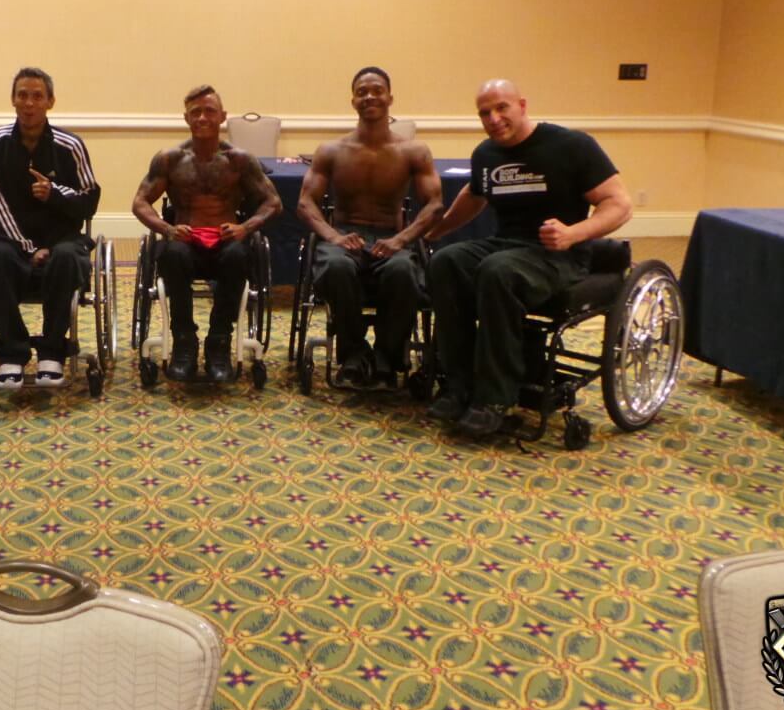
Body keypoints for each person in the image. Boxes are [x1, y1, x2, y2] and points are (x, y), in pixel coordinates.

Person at [426, 78, 633, 436]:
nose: (493, 119)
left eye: (501, 108)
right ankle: (458, 386)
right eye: (484, 113)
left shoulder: (571, 145)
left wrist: (573, 233)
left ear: (522, 105)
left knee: (497, 271)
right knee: (445, 262)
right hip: (507, 245)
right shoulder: (486, 154)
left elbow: (620, 204)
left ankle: (494, 398)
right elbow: (474, 195)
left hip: (560, 255)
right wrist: (436, 231)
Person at [296, 68, 444, 388]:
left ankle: (386, 359)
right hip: (344, 236)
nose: (369, 97)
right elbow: (306, 203)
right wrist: (334, 236)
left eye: (377, 90)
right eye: (362, 92)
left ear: (390, 98)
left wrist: (400, 240)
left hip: (392, 237)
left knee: (403, 271)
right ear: (353, 101)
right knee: (336, 267)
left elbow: (434, 205)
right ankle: (353, 354)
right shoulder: (331, 150)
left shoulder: (413, 151)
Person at [131, 85, 281, 382]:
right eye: (195, 112)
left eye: (209, 111)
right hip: (185, 243)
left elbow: (273, 203)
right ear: (186, 117)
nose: (202, 117)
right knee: (171, 254)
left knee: (239, 256)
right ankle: (184, 341)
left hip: (227, 243)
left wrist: (245, 227)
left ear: (222, 116)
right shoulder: (170, 159)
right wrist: (167, 229)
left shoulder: (239, 160)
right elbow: (140, 202)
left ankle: (219, 342)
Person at [0, 67, 101, 388]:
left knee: (66, 257)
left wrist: (54, 193)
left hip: (62, 238)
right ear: (13, 100)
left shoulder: (70, 145)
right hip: (11, 238)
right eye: (22, 95)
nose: (29, 103)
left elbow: (89, 200)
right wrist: (29, 248)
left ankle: (52, 351)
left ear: (50, 102)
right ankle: (12, 352)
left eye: (37, 96)